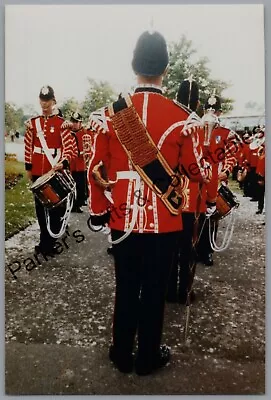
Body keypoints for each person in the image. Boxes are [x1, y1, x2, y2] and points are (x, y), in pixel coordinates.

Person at [87, 31, 211, 375]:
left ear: (133, 65)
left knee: (126, 286)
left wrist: (99, 211)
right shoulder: (182, 118)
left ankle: (122, 352)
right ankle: (147, 358)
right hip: (164, 221)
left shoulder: (109, 115)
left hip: (122, 218)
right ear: (166, 69)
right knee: (155, 290)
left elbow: (94, 168)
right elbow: (196, 171)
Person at [167, 78, 218, 303]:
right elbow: (201, 167)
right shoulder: (195, 125)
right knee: (188, 249)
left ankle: (167, 291)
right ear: (197, 101)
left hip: (167, 197)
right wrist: (211, 198)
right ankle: (184, 292)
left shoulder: (168, 121)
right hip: (191, 199)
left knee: (168, 250)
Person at [24, 85, 75, 255]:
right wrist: (29, 168)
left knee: (55, 208)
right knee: (40, 208)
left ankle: (50, 242)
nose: (45, 104)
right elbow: (28, 147)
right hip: (39, 172)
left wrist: (64, 162)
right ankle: (44, 240)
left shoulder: (62, 124)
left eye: (48, 101)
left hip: (54, 173)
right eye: (42, 100)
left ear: (54, 101)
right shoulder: (33, 123)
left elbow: (69, 149)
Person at [197, 94, 242, 266]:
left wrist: (226, 170)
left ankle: (207, 251)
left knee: (211, 216)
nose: (210, 113)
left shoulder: (226, 133)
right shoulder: (196, 129)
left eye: (214, 110)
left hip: (215, 178)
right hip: (198, 178)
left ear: (220, 112)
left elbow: (233, 155)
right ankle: (192, 247)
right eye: (208, 110)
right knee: (195, 215)